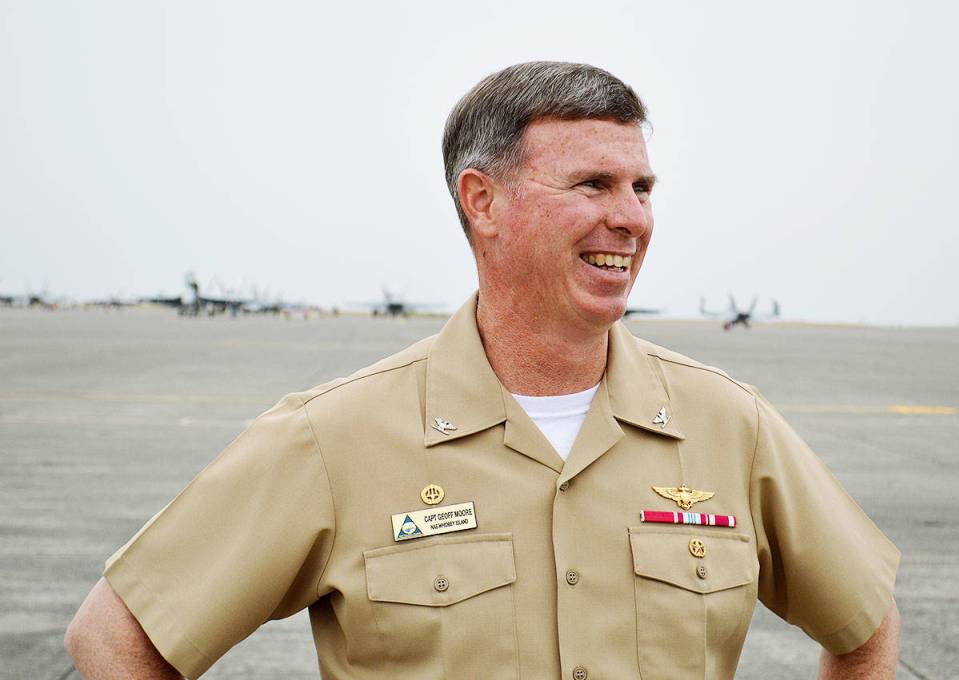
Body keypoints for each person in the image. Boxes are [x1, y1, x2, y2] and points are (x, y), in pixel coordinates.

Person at [65, 61, 900, 679]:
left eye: (642, 187)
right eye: (594, 184)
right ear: (483, 201)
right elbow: (115, 639)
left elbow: (865, 628)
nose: (632, 218)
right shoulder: (334, 438)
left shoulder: (730, 425)